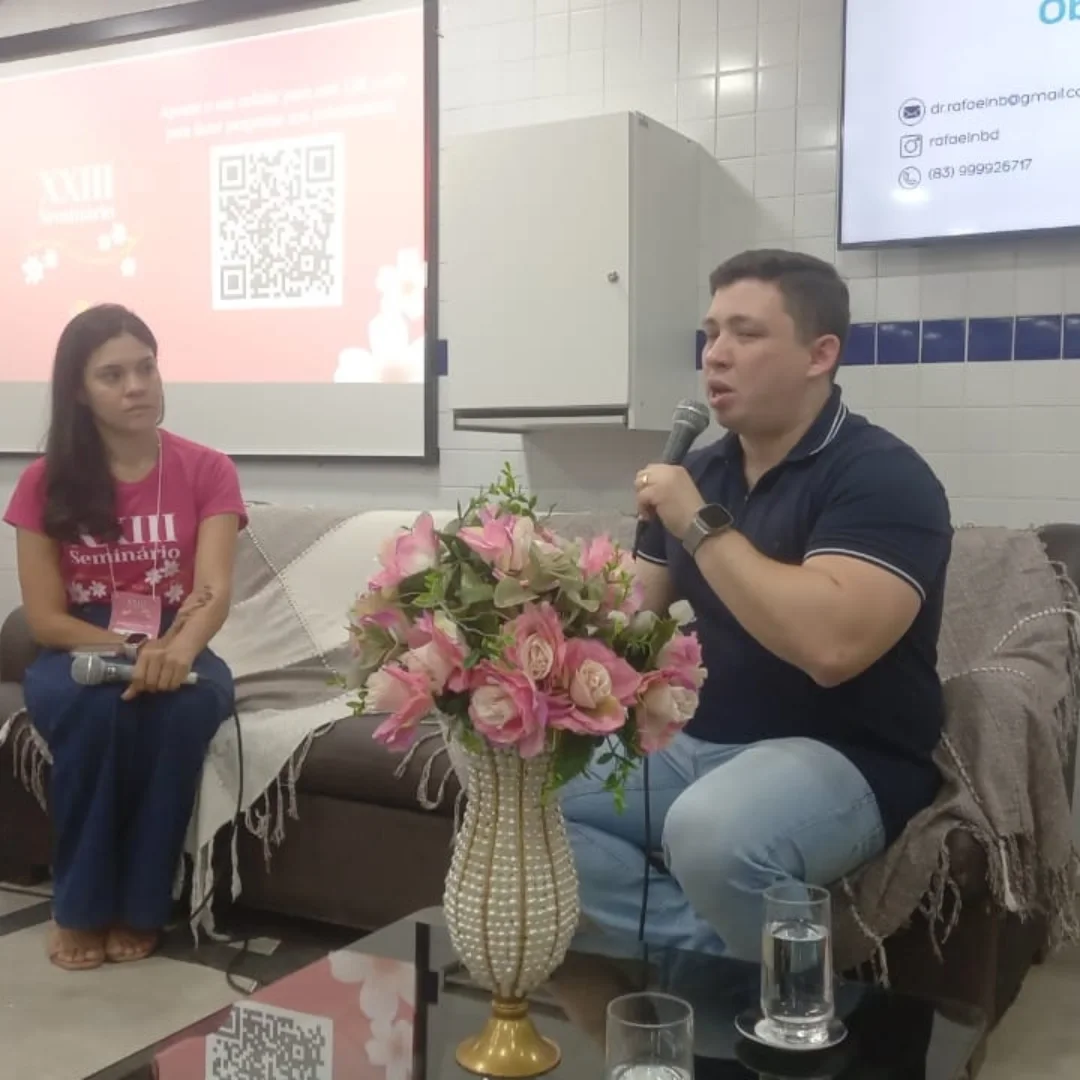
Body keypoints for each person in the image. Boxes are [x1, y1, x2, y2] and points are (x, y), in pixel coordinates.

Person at [563, 249, 953, 961]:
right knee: (519, 788)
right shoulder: (699, 469)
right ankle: (728, 960)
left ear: (820, 354)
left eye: (745, 333)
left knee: (710, 833)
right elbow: (633, 618)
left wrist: (696, 521)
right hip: (696, 743)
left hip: (844, 756)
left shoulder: (885, 476)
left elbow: (831, 649)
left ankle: (778, 999)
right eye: (711, 333)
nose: (716, 355)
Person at [3, 304, 247, 971]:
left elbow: (213, 589)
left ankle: (142, 907)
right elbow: (45, 619)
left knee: (183, 710)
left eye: (146, 368)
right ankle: (79, 908)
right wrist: (130, 653)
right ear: (80, 391)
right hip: (80, 645)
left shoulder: (207, 469)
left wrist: (178, 650)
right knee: (94, 712)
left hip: (179, 635)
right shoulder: (44, 481)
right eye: (113, 375)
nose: (137, 386)